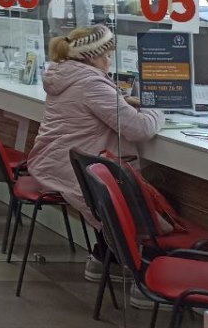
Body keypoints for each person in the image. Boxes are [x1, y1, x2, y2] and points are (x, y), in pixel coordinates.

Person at [25, 24, 163, 281]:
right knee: (130, 196)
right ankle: (133, 265)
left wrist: (120, 101)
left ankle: (104, 258)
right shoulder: (90, 83)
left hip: (54, 160)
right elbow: (140, 129)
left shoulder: (65, 74)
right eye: (106, 55)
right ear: (91, 57)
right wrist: (158, 106)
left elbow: (86, 110)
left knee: (118, 194)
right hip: (71, 168)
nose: (109, 61)